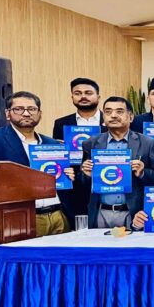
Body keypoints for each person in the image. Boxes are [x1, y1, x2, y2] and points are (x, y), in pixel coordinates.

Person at [81, 96, 154, 229]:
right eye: (108, 112)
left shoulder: (148, 143)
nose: (113, 115)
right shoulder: (91, 143)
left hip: (134, 213)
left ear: (131, 117)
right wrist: (86, 175)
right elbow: (81, 184)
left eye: (119, 111)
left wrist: (143, 173)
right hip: (101, 212)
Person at [0, 91, 75, 235]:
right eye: (19, 109)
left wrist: (68, 175)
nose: (26, 114)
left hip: (58, 215)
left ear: (39, 114)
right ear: (7, 114)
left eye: (32, 109)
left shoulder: (52, 143)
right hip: (20, 218)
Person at [51, 77, 107, 221]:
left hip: (105, 182)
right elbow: (59, 156)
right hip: (74, 186)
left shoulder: (110, 122)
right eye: (78, 93)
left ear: (98, 97)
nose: (83, 96)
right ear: (72, 97)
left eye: (88, 93)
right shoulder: (61, 123)